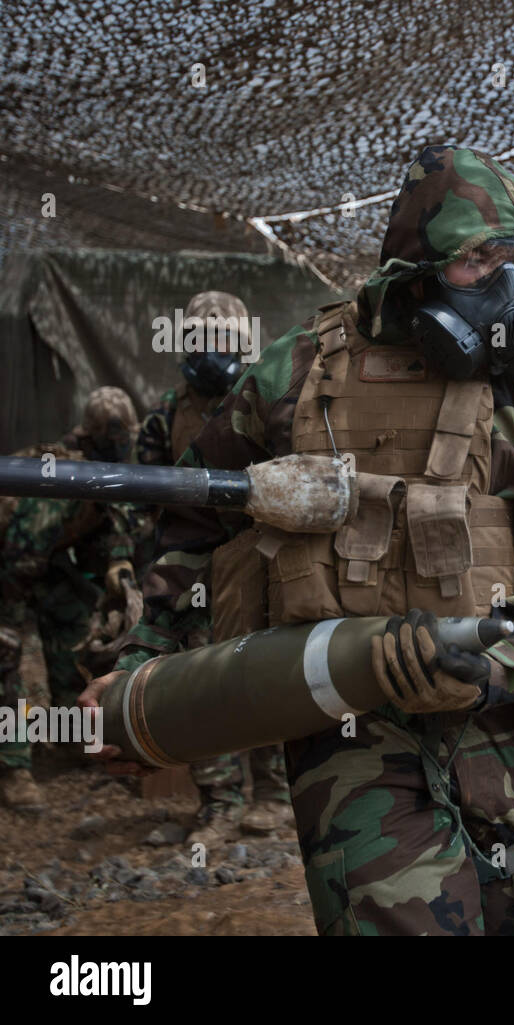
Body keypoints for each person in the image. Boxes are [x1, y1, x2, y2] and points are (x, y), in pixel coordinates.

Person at [88, 145, 514, 935]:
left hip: (506, 720)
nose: (507, 288)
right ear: (414, 261)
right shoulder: (295, 375)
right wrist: (144, 673)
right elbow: (195, 528)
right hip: (346, 722)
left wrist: (495, 666)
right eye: (480, 259)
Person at [135, 290, 291, 845]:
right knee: (202, 683)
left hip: (260, 563)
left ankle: (274, 795)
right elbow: (144, 504)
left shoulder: (271, 404)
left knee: (267, 674)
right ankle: (220, 802)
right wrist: (144, 581)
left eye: (223, 340)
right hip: (194, 568)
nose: (212, 351)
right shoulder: (163, 416)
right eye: (201, 338)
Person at [0, 387, 148, 812]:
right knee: (6, 653)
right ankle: (13, 764)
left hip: (40, 562)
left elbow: (113, 522)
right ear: (91, 437)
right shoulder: (60, 472)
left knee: (72, 623)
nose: (122, 446)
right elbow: (20, 555)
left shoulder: (104, 473)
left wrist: (118, 567)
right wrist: (12, 621)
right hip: (12, 564)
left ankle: (67, 736)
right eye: (114, 438)